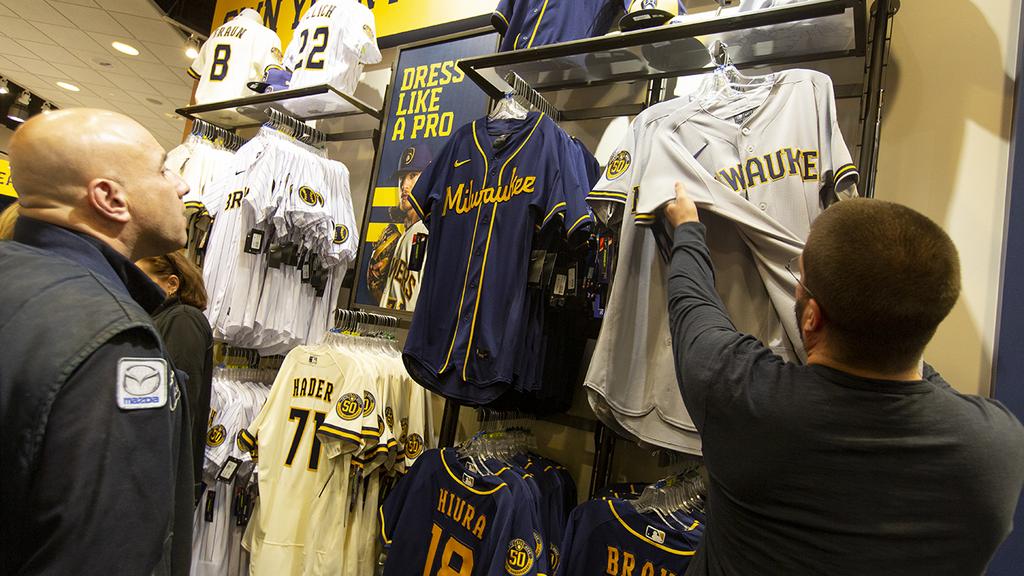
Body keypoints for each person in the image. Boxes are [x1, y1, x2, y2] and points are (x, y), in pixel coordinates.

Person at [662, 182, 1024, 575]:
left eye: (800, 278)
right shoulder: (997, 448)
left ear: (812, 316)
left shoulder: (744, 398)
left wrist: (688, 227)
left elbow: (694, 308)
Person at [0, 109, 194, 576]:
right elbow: (107, 550)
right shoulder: (114, 339)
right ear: (109, 198)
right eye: (164, 169)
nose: (182, 186)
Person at [138, 249, 214, 487]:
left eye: (140, 279)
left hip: (162, 475)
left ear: (172, 283)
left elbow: (177, 404)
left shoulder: (182, 319)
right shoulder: (160, 318)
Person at [367, 144, 432, 306]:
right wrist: (377, 286)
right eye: (402, 177)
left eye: (413, 175)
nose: (404, 185)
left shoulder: (424, 232)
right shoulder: (405, 234)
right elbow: (398, 298)